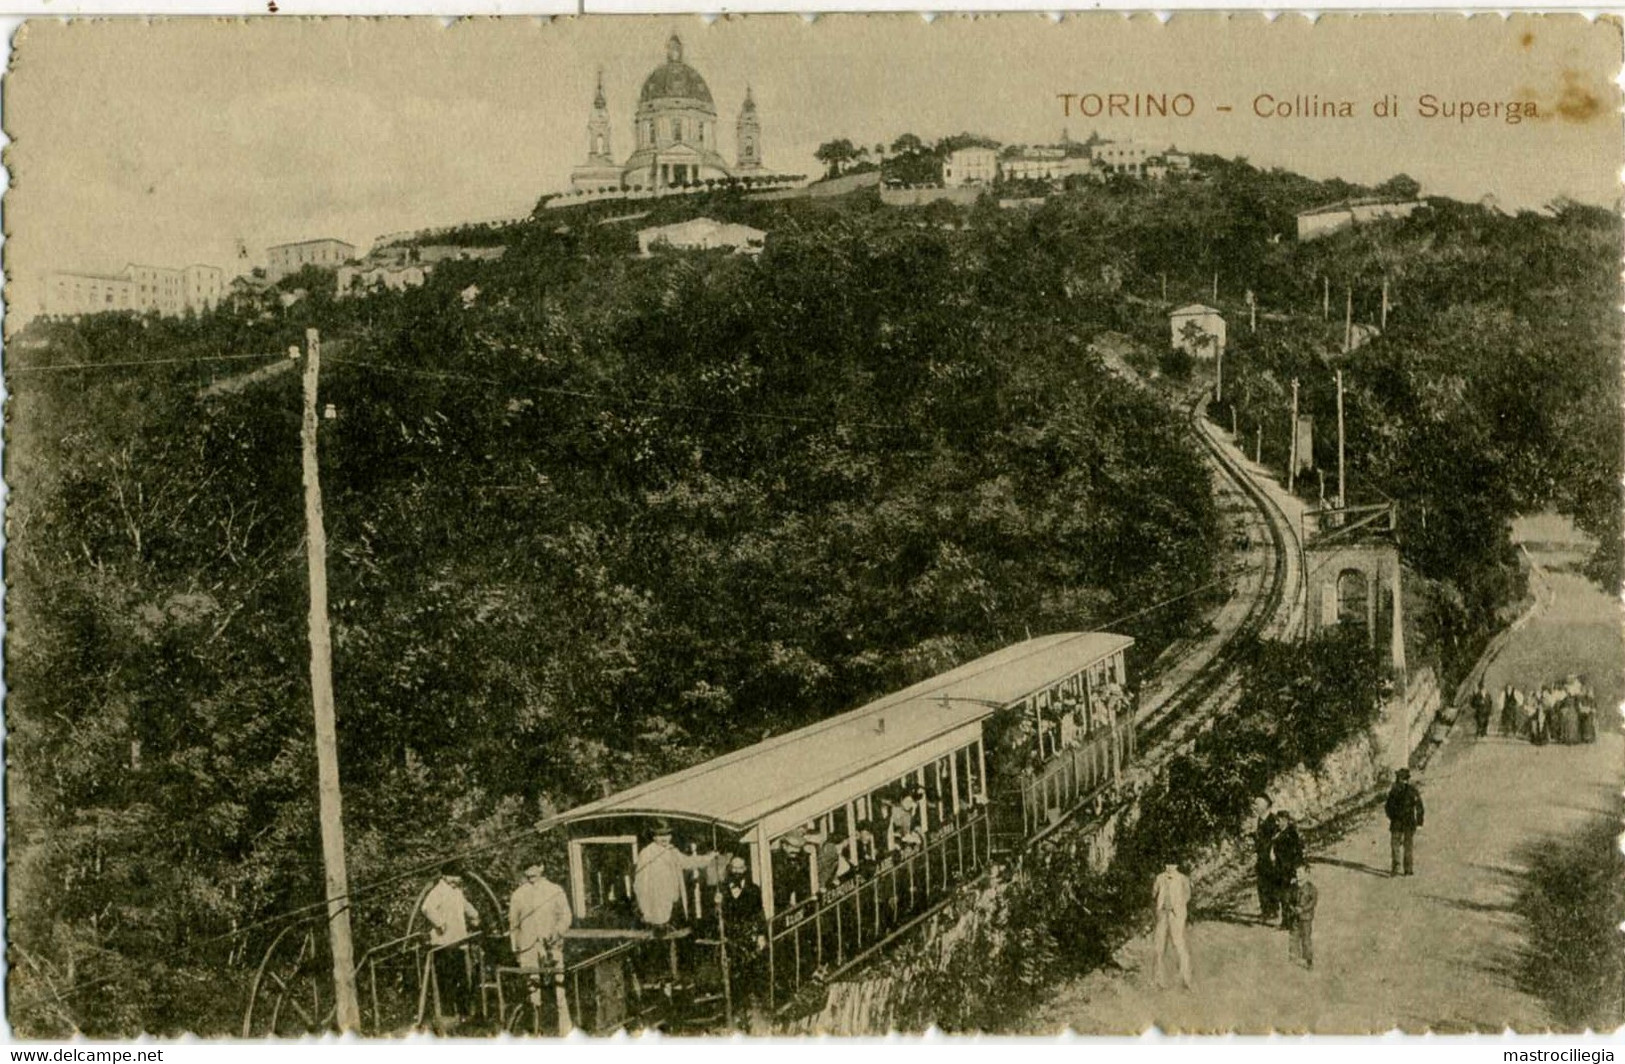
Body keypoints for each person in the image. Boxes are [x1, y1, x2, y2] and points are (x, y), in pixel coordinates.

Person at [508, 862, 572, 1009]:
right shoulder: (518, 894)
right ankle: (536, 1021)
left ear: (542, 867)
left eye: (533, 867)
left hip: (551, 944)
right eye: (526, 868)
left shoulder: (555, 890)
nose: (529, 872)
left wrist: (558, 932)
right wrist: (516, 949)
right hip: (528, 946)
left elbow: (566, 916)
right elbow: (514, 924)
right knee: (532, 987)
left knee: (558, 983)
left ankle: (561, 1018)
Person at [632, 820, 717, 930]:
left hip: (672, 899)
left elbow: (687, 862)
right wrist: (645, 908)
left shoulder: (672, 851)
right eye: (660, 835)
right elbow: (640, 882)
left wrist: (708, 858)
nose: (664, 838)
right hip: (655, 901)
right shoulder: (647, 853)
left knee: (674, 932)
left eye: (667, 834)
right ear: (654, 837)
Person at [421, 867, 481, 1022]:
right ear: (445, 876)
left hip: (459, 941)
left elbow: (466, 906)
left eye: (458, 877)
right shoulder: (438, 891)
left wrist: (474, 916)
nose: (456, 880)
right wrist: (440, 923)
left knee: (461, 978)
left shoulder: (457, 892)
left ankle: (463, 1013)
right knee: (447, 979)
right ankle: (448, 1014)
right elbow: (426, 908)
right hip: (444, 943)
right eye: (453, 877)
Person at [716, 855, 767, 1012]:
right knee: (734, 970)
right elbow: (718, 916)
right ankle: (738, 1005)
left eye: (741, 868)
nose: (737, 871)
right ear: (730, 869)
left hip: (749, 933)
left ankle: (755, 1003)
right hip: (731, 935)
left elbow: (759, 913)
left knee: (752, 967)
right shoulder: (722, 889)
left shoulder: (754, 889)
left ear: (746, 869)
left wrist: (761, 934)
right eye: (734, 868)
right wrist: (717, 904)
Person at [1150, 860, 1193, 989]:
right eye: (1167, 864)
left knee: (1178, 943)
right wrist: (1159, 906)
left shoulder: (1182, 879)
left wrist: (1177, 907)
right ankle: (1157, 980)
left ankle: (1186, 978)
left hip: (1176, 915)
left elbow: (1187, 895)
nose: (1169, 867)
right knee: (1159, 946)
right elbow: (1153, 893)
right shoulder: (1160, 878)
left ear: (1177, 865)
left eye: (1172, 864)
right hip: (1162, 914)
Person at [1385, 768, 1425, 876]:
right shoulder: (1394, 791)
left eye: (1400, 778)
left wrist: (1419, 821)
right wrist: (1392, 816)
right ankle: (1400, 868)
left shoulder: (1410, 791)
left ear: (1406, 779)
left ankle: (1406, 868)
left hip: (1406, 822)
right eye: (1398, 778)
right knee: (1396, 846)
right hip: (1400, 822)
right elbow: (1388, 807)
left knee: (1406, 846)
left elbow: (1419, 806)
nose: (1398, 780)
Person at [1269, 811, 1304, 929]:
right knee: (1283, 896)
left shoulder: (1291, 834)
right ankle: (1286, 922)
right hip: (1280, 869)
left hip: (1288, 869)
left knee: (1289, 896)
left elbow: (1297, 853)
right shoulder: (1279, 832)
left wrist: (1295, 871)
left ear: (1285, 820)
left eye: (1278, 820)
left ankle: (1292, 922)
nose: (1276, 823)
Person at [1253, 799, 1282, 923]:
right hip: (1262, 857)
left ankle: (1273, 910)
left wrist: (1273, 852)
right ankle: (1265, 910)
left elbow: (1276, 839)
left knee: (1271, 882)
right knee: (1262, 883)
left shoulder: (1273, 821)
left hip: (1270, 857)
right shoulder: (1260, 819)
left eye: (1257, 804)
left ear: (1266, 806)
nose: (1254, 806)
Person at [1288, 861, 1318, 969]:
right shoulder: (1293, 887)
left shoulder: (1311, 888)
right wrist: (1293, 909)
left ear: (1306, 873)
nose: (1297, 875)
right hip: (1295, 916)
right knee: (1294, 936)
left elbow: (1313, 902)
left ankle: (1308, 960)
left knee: (1306, 938)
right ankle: (1294, 958)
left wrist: (1303, 909)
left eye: (1300, 873)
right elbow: (1289, 900)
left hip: (1306, 918)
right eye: (1296, 873)